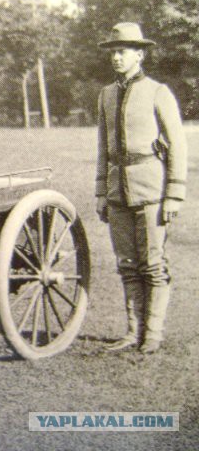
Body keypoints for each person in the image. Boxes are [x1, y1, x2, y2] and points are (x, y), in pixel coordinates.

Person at [95, 22, 187, 354]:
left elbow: (177, 144)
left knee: (153, 265)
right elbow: (103, 148)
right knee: (127, 265)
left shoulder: (158, 92)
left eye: (123, 51)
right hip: (118, 191)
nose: (116, 57)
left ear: (140, 54)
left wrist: (174, 192)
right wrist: (101, 192)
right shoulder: (106, 94)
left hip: (151, 190)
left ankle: (153, 334)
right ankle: (132, 332)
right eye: (113, 52)